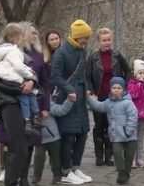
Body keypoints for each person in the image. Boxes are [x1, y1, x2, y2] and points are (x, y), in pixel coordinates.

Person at [0, 21, 50, 186]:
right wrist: (20, 88)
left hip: (32, 102)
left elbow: (44, 81)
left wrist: (44, 104)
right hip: (10, 102)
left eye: (36, 33)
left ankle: (22, 178)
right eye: (31, 33)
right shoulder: (6, 53)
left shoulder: (38, 56)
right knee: (16, 145)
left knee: (28, 144)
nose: (35, 36)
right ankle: (11, 179)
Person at [51, 19, 93, 184]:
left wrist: (88, 89)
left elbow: (82, 74)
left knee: (82, 134)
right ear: (78, 36)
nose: (87, 40)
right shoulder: (61, 53)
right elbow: (55, 76)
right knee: (68, 136)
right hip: (67, 99)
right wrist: (69, 90)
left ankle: (76, 167)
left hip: (81, 99)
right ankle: (66, 170)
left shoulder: (82, 50)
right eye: (86, 37)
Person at [86, 27, 131, 167]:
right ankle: (99, 155)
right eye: (104, 40)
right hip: (99, 96)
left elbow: (128, 71)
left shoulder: (117, 55)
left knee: (113, 125)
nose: (107, 43)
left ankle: (109, 156)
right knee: (99, 126)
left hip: (115, 96)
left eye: (109, 40)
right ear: (99, 41)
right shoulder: (93, 57)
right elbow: (87, 76)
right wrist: (91, 91)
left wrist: (124, 87)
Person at [0, 23, 41, 135]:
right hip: (9, 99)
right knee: (14, 141)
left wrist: (32, 80)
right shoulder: (13, 51)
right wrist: (27, 80)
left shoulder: (5, 52)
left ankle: (33, 119)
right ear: (15, 38)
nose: (24, 39)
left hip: (14, 88)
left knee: (30, 96)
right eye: (22, 36)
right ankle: (30, 121)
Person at [87, 77, 138, 185]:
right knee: (117, 154)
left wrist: (128, 131)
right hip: (116, 136)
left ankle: (126, 173)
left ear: (123, 89)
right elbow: (98, 106)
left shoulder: (128, 103)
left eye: (119, 88)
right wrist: (88, 99)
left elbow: (133, 116)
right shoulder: (108, 103)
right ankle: (121, 172)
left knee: (129, 157)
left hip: (130, 137)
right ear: (110, 89)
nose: (116, 90)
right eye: (114, 88)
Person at [32, 96, 76, 185]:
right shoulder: (30, 105)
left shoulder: (48, 104)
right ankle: (37, 176)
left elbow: (61, 110)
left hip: (53, 137)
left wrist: (69, 101)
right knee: (38, 157)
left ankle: (57, 175)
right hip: (39, 138)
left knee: (56, 158)